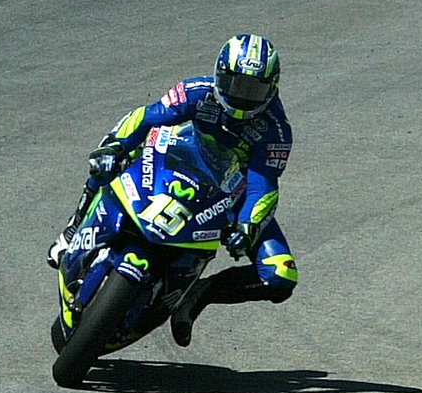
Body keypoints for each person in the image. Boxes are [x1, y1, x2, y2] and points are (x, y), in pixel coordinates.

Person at [47, 34, 298, 348]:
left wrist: (248, 225)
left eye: (253, 90)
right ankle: (73, 228)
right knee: (106, 163)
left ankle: (198, 294)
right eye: (235, 85)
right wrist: (115, 146)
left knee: (280, 276)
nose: (242, 97)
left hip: (233, 195)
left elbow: (263, 185)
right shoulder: (196, 91)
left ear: (271, 87)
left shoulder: (275, 129)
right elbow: (146, 118)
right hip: (177, 165)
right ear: (221, 75)